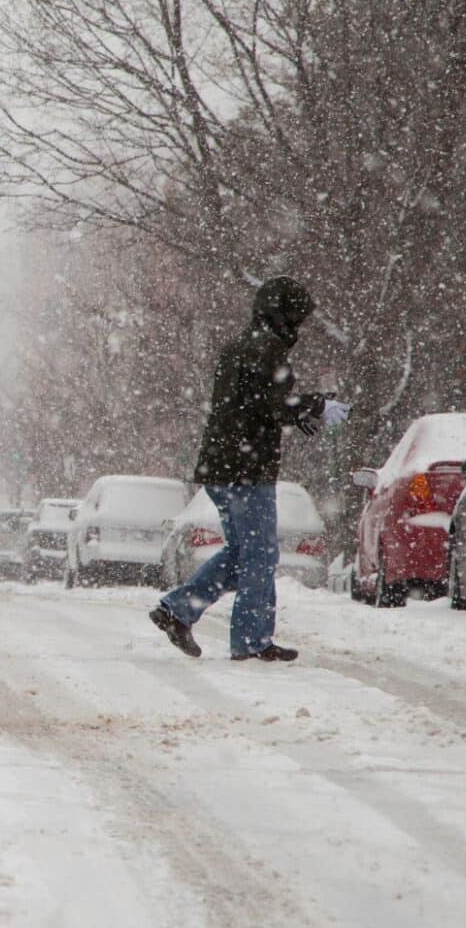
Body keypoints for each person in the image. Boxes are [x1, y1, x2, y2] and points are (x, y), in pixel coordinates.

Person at [149, 276, 345, 662]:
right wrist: (316, 405)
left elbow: (254, 405)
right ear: (282, 315)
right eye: (296, 319)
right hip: (247, 468)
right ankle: (251, 641)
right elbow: (271, 404)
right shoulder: (267, 349)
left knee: (244, 552)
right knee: (260, 555)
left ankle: (178, 611)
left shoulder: (240, 345)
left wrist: (297, 410)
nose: (298, 328)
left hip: (222, 464)